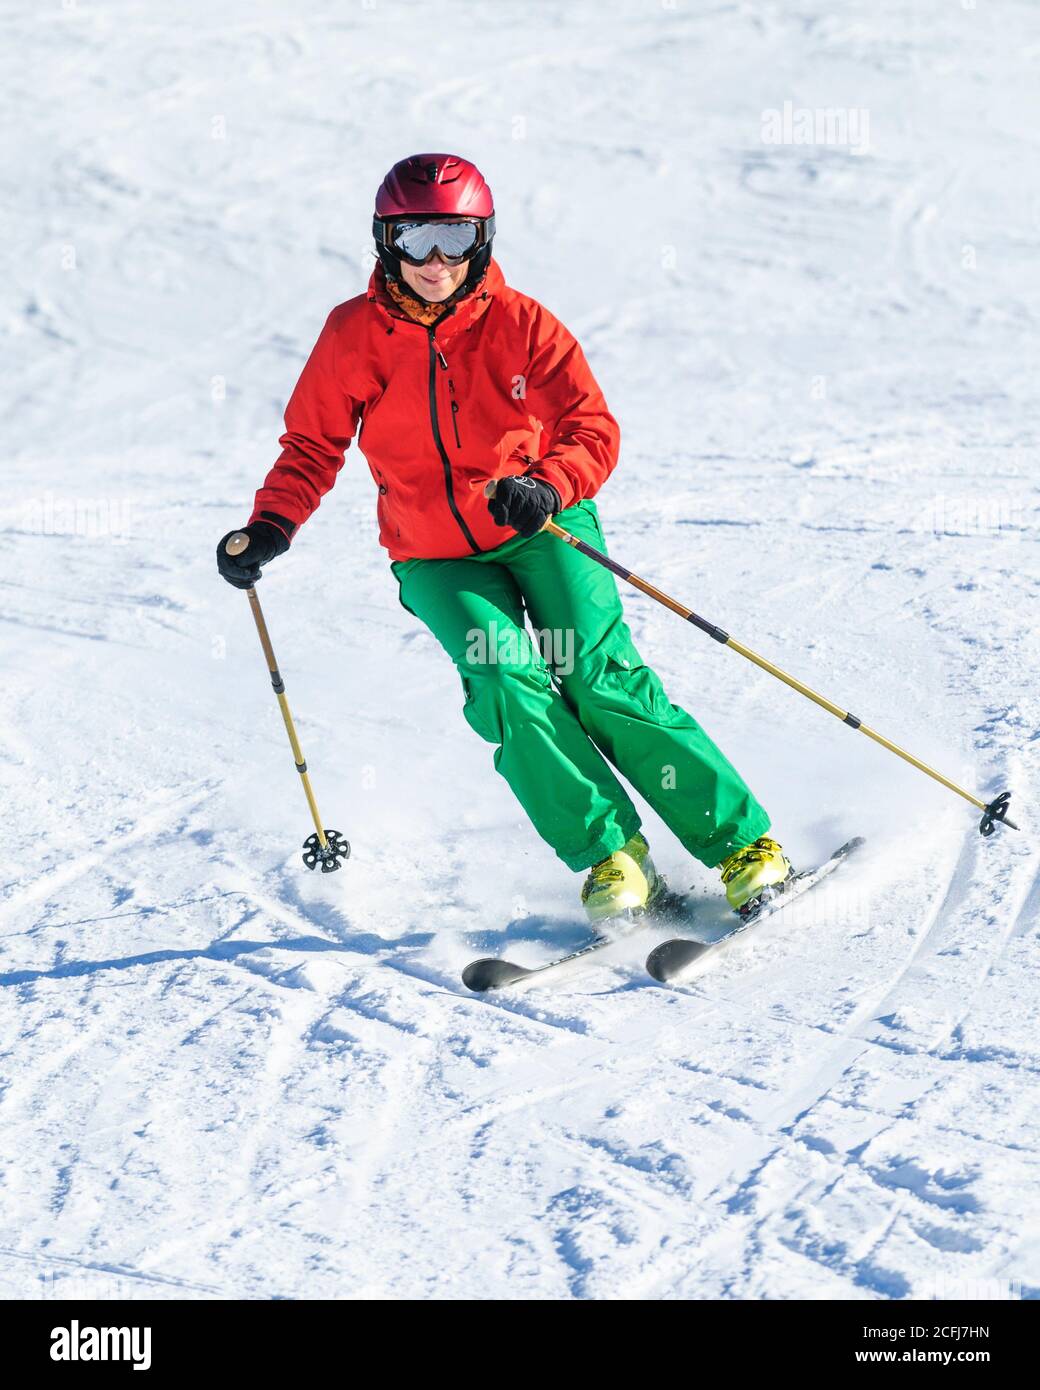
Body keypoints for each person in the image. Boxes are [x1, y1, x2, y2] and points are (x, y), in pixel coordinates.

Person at [217, 153, 791, 920]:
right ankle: (614, 858)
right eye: (415, 238)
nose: (435, 262)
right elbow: (313, 445)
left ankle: (743, 845)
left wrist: (549, 483)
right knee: (506, 679)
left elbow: (592, 426)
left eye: (455, 238)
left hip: (538, 522)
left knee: (594, 673)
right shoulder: (354, 334)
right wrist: (271, 524)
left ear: (483, 238)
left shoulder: (522, 323)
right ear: (385, 240)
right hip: (436, 556)